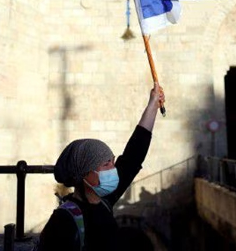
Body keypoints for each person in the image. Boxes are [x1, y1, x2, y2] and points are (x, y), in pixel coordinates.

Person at [36, 84, 165, 251]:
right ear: (85, 174)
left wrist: (153, 105)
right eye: (106, 164)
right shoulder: (64, 220)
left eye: (112, 161)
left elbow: (133, 156)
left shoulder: (103, 201)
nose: (113, 169)